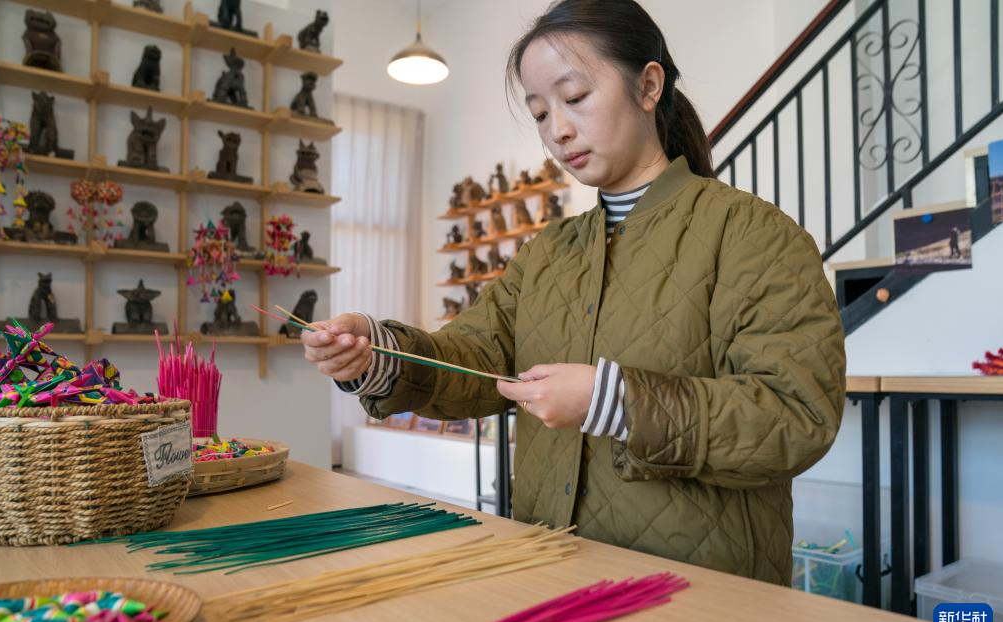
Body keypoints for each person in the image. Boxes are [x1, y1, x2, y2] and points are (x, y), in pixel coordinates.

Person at [301, 0, 846, 586]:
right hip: (551, 572)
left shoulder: (752, 234)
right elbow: (477, 359)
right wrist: (377, 353)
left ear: (649, 85)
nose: (557, 131)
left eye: (576, 97)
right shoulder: (549, 252)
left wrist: (614, 402)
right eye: (540, 112)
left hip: (699, 592)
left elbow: (796, 416)